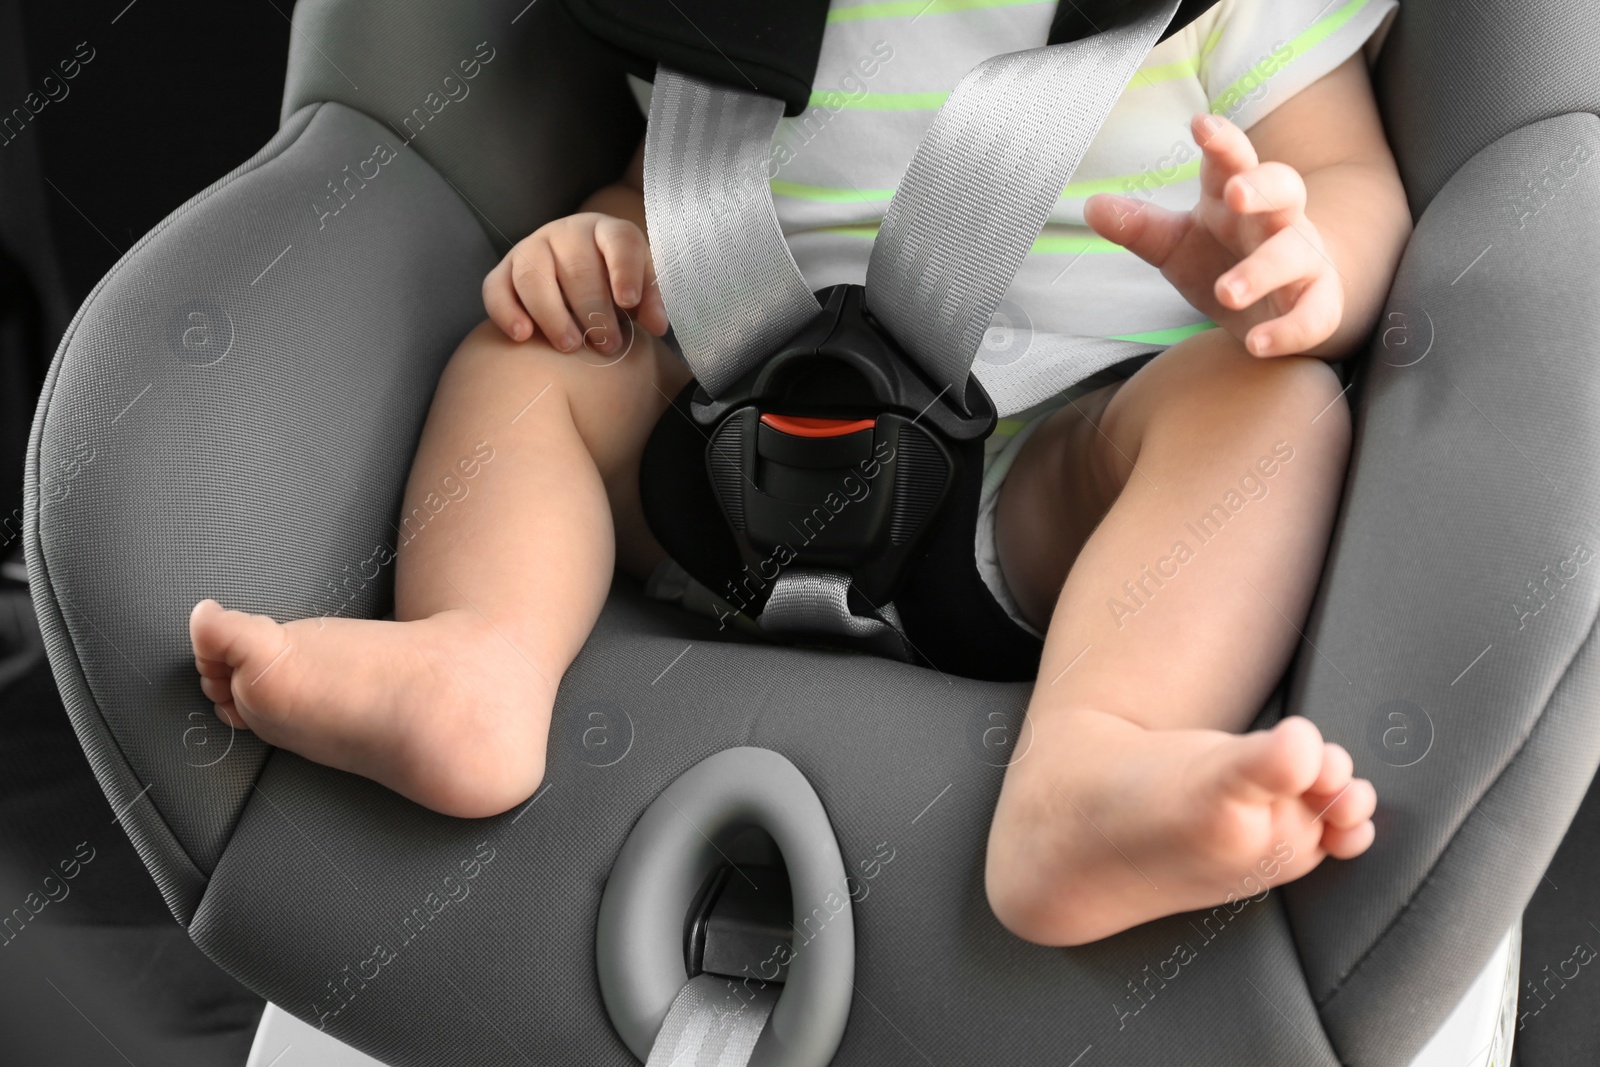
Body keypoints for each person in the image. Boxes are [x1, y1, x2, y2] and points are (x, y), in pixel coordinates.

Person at [188, 0, 1410, 946]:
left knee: (1272, 409)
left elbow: (1351, 180)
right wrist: (601, 246)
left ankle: (1092, 764)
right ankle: (480, 657)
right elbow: (666, 176)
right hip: (728, 425)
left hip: (1054, 472)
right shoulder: (728, 17)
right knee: (536, 355)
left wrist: (1299, 265)